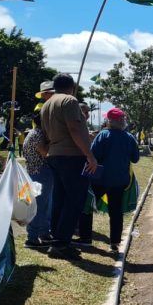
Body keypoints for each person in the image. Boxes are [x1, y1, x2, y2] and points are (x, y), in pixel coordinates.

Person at [40, 73, 98, 259]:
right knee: (75, 200)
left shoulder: (47, 104)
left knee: (60, 199)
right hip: (71, 156)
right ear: (72, 87)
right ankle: (61, 244)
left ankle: (58, 239)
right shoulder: (70, 101)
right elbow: (74, 128)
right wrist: (89, 155)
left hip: (55, 155)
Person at [82, 108, 140, 253]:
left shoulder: (102, 135)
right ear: (123, 121)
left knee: (87, 205)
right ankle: (114, 243)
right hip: (120, 181)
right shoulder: (129, 137)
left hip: (99, 179)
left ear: (109, 121)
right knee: (116, 211)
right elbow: (135, 158)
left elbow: (94, 155)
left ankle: (85, 238)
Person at [22, 113, 53, 249]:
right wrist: (53, 142)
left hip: (34, 172)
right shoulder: (38, 135)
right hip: (39, 173)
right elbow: (44, 152)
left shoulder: (33, 133)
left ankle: (43, 233)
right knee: (39, 206)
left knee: (43, 205)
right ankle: (33, 237)